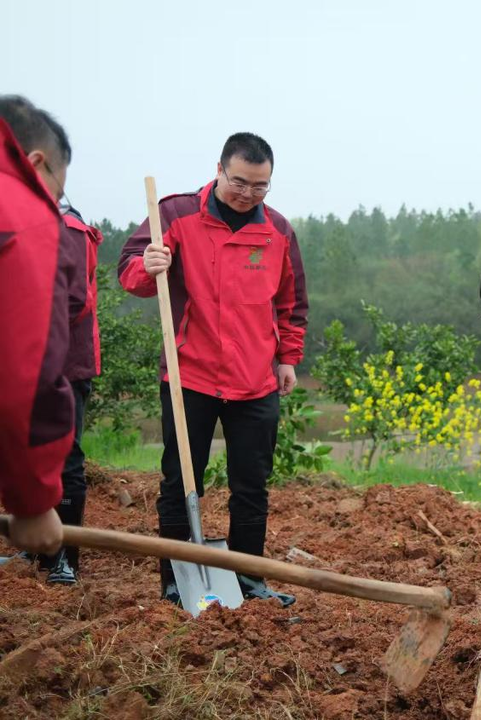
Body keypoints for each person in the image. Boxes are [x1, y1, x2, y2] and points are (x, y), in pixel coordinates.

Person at [118, 132, 308, 607]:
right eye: (240, 182)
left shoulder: (278, 230)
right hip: (192, 376)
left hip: (255, 379)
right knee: (180, 480)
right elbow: (128, 272)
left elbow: (292, 302)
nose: (248, 194)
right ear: (219, 169)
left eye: (260, 186)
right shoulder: (175, 214)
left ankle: (249, 580)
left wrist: (288, 357)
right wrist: (147, 264)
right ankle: (175, 580)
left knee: (251, 485)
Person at [0, 95, 76, 558]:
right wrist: (32, 501)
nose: (55, 204)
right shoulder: (25, 219)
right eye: (58, 193)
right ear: (35, 162)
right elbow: (24, 377)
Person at [36, 207, 103, 584]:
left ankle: (64, 556)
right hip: (28, 363)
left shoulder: (70, 229)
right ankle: (37, 549)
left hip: (64, 365)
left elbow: (74, 298)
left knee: (64, 454)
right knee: (32, 454)